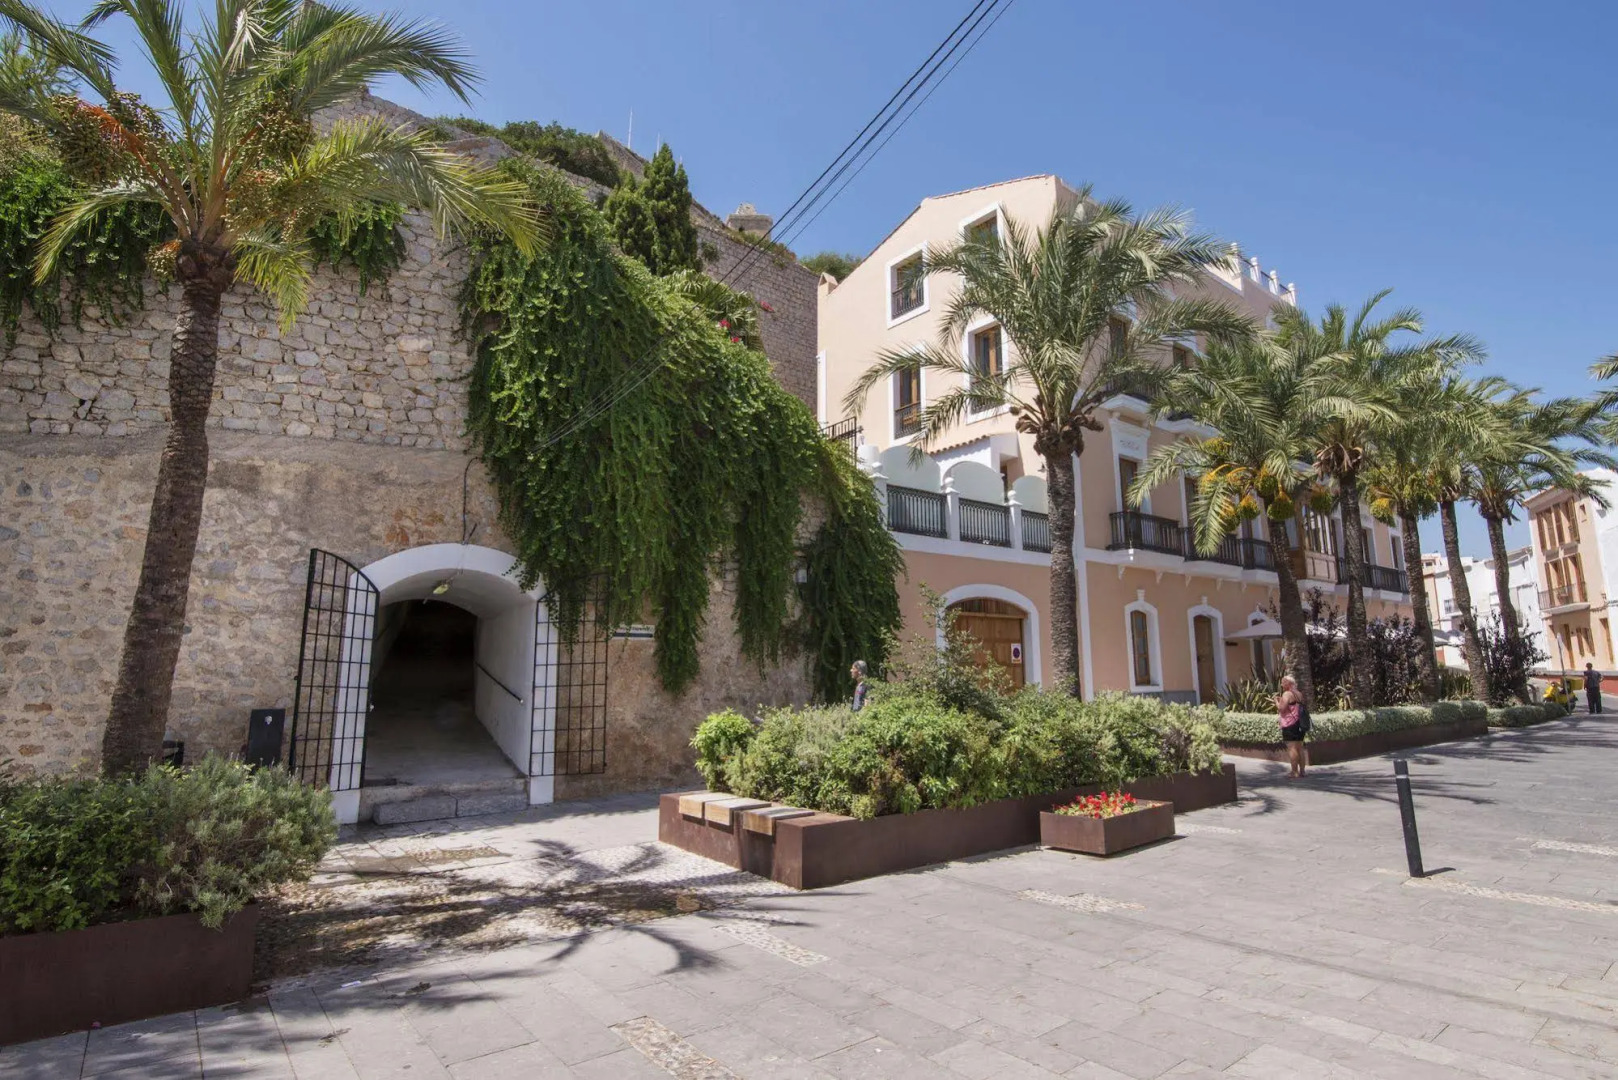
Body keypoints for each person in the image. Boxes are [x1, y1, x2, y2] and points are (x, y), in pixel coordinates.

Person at [1275, 674, 1308, 778]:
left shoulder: (1287, 694)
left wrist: (1276, 701)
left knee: (1292, 748)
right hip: (1300, 723)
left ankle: (1294, 772)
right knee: (1300, 747)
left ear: (1289, 684)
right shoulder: (1298, 694)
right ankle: (1302, 771)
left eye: (1283, 682)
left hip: (1290, 723)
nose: (1281, 684)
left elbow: (1281, 709)